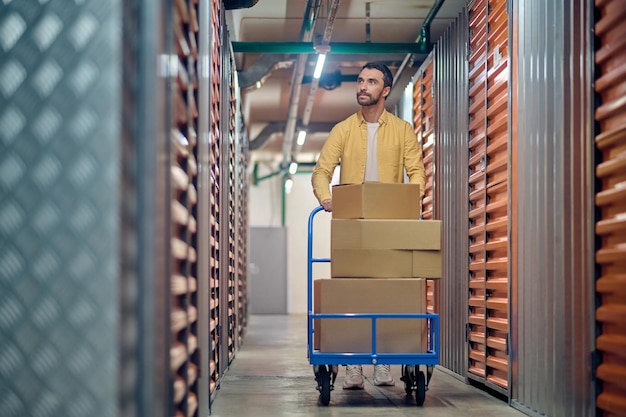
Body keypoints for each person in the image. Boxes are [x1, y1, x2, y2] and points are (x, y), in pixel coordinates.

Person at [311, 62, 426, 390]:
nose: (363, 86)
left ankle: (385, 363)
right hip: (351, 225)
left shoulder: (403, 130)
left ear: (385, 90)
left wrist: (410, 200)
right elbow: (322, 171)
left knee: (387, 293)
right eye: (360, 80)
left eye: (371, 81)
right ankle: (352, 365)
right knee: (351, 293)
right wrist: (325, 197)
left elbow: (416, 171)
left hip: (389, 225)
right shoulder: (343, 129)